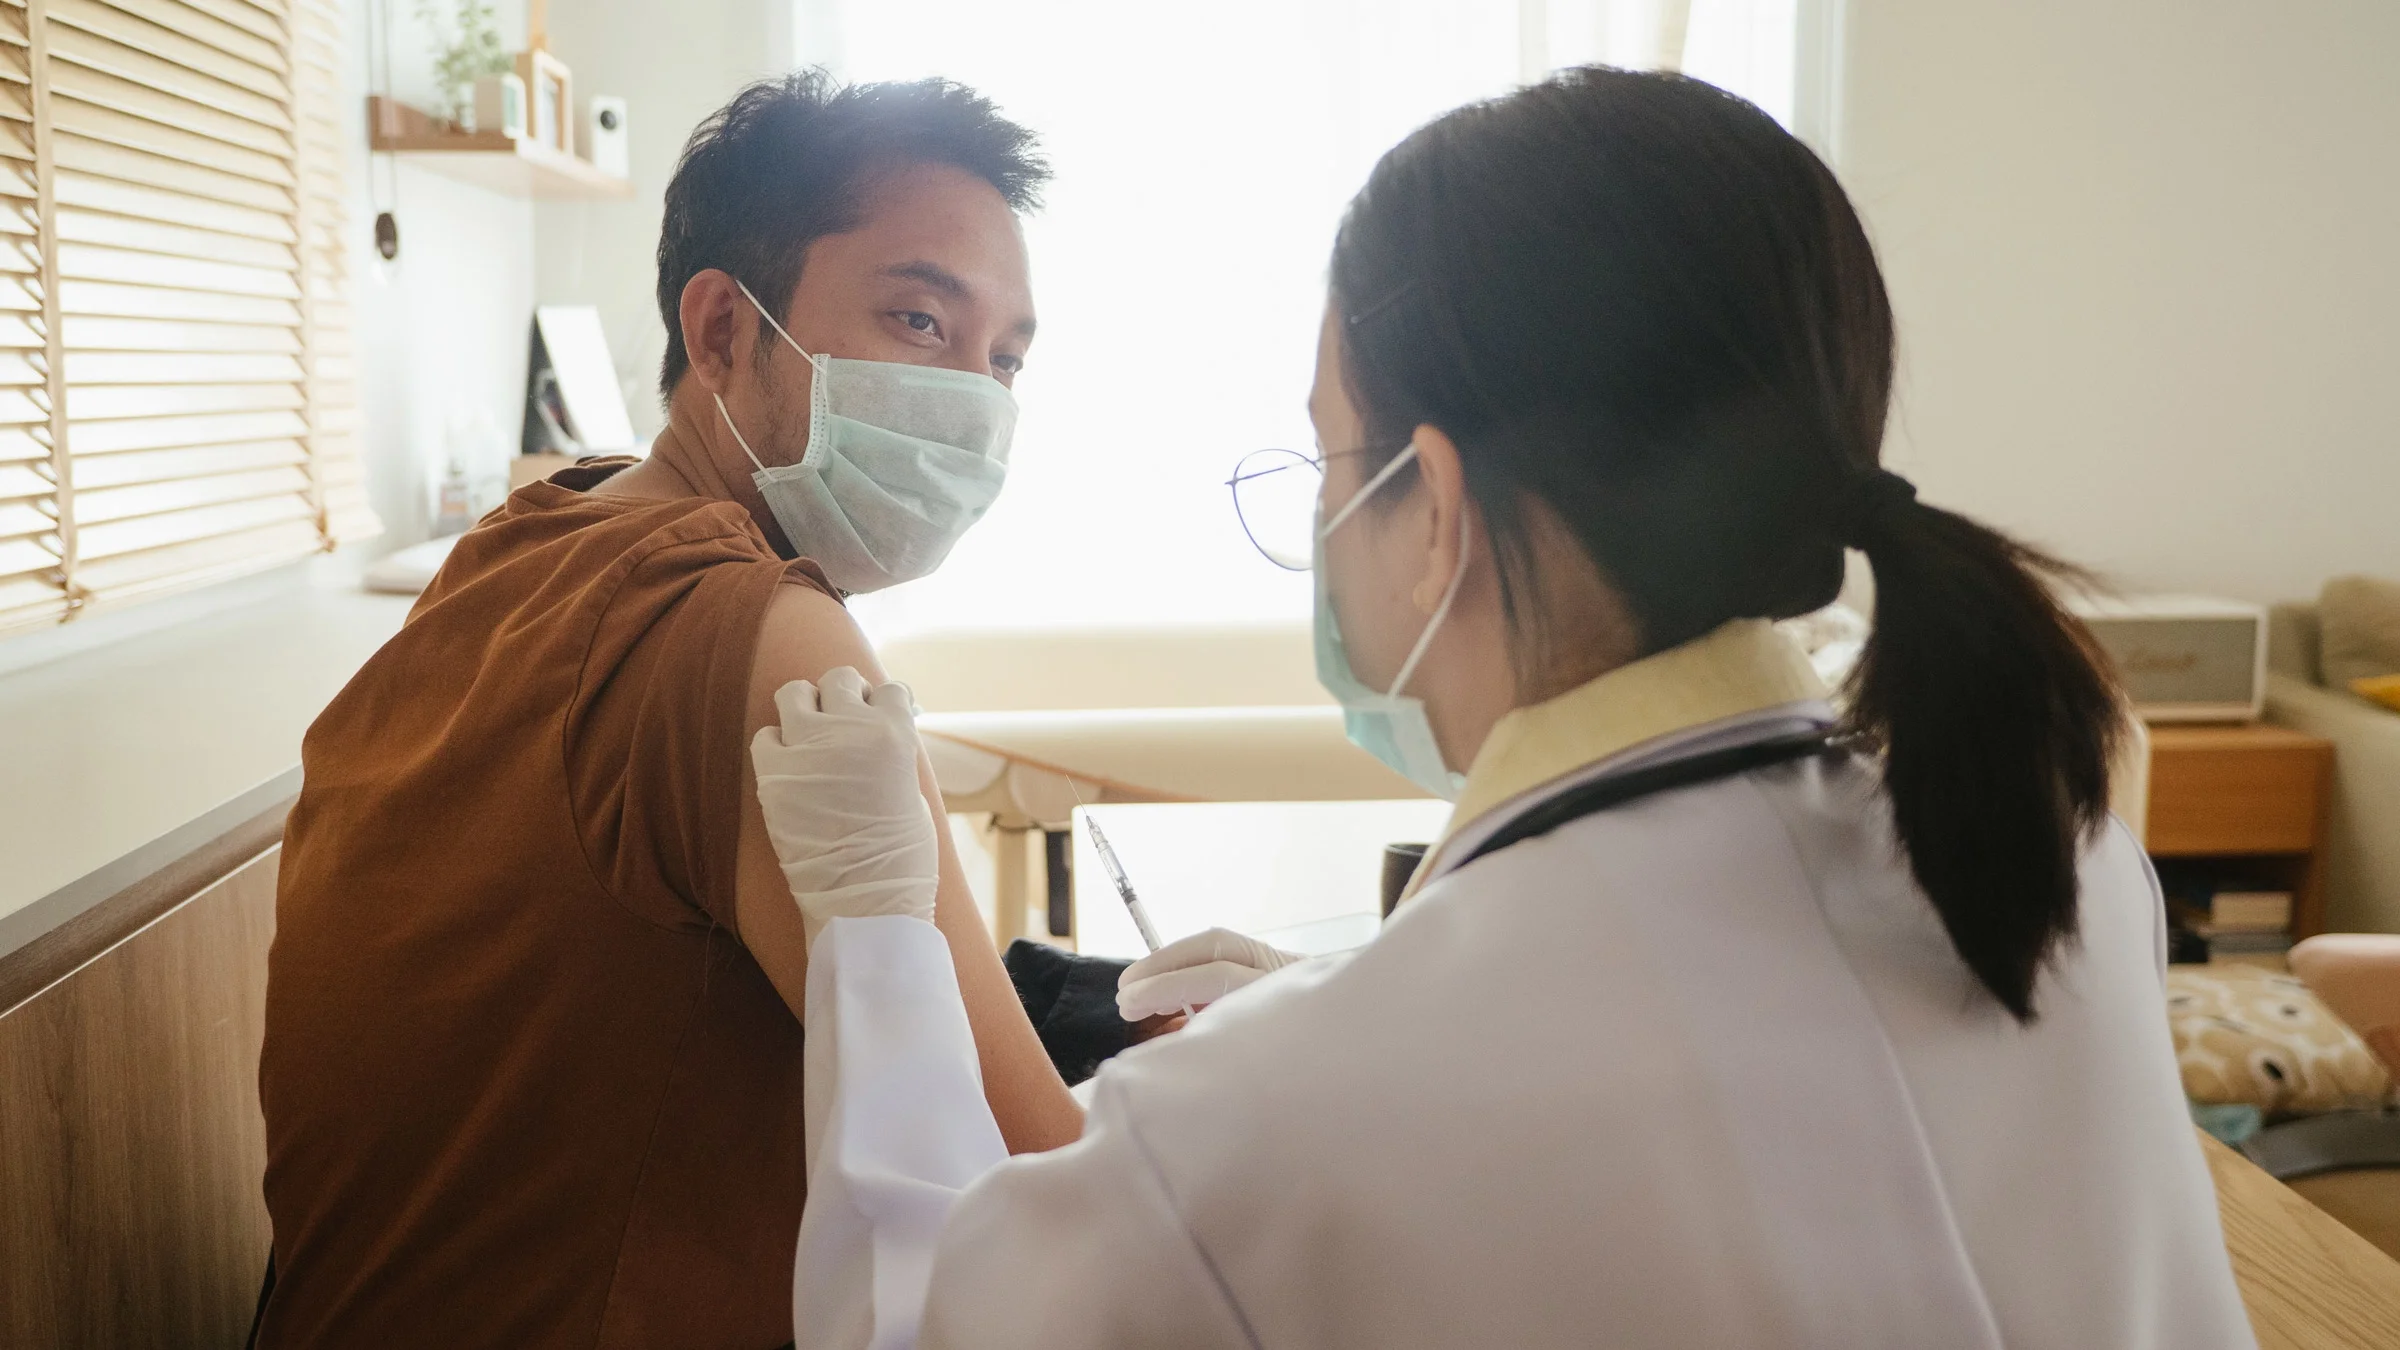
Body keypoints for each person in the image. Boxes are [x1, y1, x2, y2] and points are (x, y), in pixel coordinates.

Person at [761, 68, 2256, 1348]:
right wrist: (1360, 1006)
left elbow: (910, 1318)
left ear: (1436, 506)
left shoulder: (1275, 1121)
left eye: (1332, 457)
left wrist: (881, 939)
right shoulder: (2050, 857)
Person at [254, 73, 1081, 1349]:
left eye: (1007, 360)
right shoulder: (765, 639)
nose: (974, 401)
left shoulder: (525, 542)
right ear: (721, 334)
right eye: (920, 319)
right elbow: (1045, 1205)